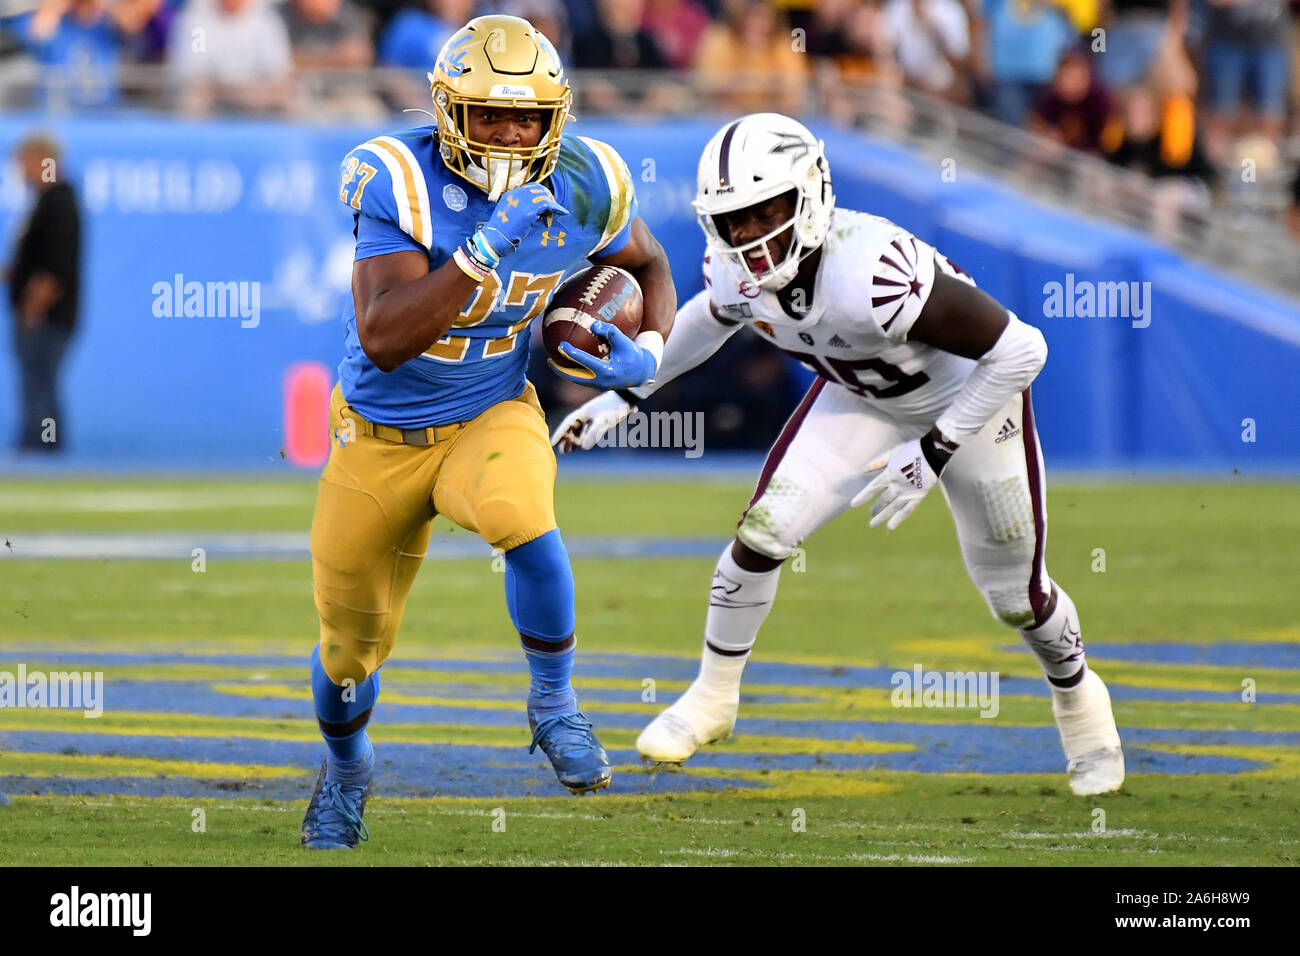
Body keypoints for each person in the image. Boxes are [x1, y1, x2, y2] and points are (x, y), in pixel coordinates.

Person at [553, 112, 1125, 797]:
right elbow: (709, 318)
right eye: (734, 220)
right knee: (763, 533)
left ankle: (1080, 702)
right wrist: (626, 398)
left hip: (970, 402)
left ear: (810, 194)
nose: (750, 237)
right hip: (860, 398)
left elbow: (1022, 349)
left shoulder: (873, 273)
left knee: (1016, 597)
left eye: (765, 211)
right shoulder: (738, 272)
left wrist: (936, 448)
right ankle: (713, 697)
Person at [301, 14, 676, 850]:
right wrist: (475, 257)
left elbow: (648, 264)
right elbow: (385, 337)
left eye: (528, 118)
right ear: (449, 114)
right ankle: (349, 769)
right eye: (490, 115)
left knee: (527, 526)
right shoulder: (399, 179)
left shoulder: (584, 179)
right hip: (379, 437)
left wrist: (646, 349)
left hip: (488, 413)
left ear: (556, 121)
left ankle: (554, 705)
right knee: (346, 657)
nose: (511, 133)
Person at [7, 134, 81, 454]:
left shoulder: (57, 203)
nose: (20, 170)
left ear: (42, 161)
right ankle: (42, 443)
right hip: (41, 314)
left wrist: (33, 310)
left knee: (40, 384)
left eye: (24, 162)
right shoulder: (44, 202)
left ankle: (44, 444)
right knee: (37, 383)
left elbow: (54, 268)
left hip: (46, 316)